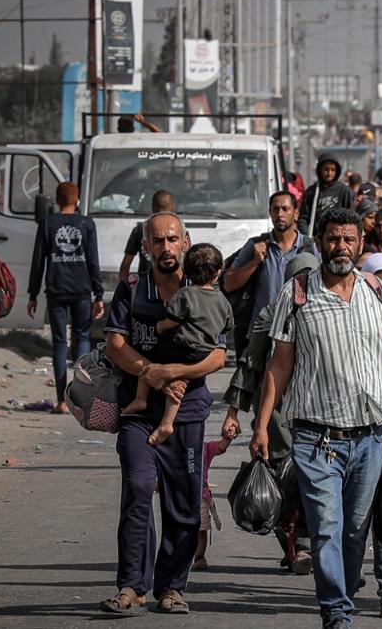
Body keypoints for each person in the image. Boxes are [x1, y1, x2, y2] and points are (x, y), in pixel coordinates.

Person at [250, 207, 382, 629]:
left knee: (355, 529)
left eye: (349, 240)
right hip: (317, 439)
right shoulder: (297, 294)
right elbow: (279, 366)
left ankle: (345, 587)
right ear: (319, 242)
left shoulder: (375, 290)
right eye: (333, 239)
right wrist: (262, 425)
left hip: (370, 437)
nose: (341, 247)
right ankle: (336, 611)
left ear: (360, 245)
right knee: (326, 528)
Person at [99, 212, 228, 615]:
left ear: (186, 242)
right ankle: (131, 586)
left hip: (187, 413)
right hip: (138, 412)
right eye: (158, 241)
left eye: (173, 239)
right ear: (146, 247)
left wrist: (176, 372)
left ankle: (171, 587)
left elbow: (219, 357)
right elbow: (115, 345)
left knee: (184, 504)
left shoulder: (204, 290)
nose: (166, 247)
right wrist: (151, 375)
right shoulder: (132, 288)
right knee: (138, 488)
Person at [223, 253, 321, 576]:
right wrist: (235, 413)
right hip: (278, 418)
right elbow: (250, 366)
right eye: (300, 276)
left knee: (320, 488)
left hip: (320, 416)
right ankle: (298, 548)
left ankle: (314, 548)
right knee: (284, 488)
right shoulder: (271, 315)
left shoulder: (328, 312)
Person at [123, 243, 233, 446]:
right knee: (180, 380)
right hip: (204, 352)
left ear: (187, 271)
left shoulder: (185, 294)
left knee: (151, 358)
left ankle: (141, 398)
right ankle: (167, 422)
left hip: (181, 345)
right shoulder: (223, 300)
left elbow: (172, 320)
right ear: (218, 272)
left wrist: (160, 327)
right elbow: (227, 326)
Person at [27, 182, 105, 414]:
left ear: (57, 200)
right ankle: (80, 400)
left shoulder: (48, 223)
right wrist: (98, 294)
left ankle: (61, 401)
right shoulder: (87, 223)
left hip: (56, 290)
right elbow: (93, 261)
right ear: (77, 198)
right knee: (81, 337)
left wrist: (32, 294)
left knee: (60, 343)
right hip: (82, 290)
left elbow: (38, 261)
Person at [224, 191, 304, 353]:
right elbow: (228, 283)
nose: (280, 214)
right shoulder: (256, 245)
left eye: (285, 209)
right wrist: (254, 262)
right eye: (275, 209)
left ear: (295, 213)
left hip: (298, 334)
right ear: (270, 213)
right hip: (259, 335)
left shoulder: (309, 248)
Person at [193, 425, 236, 572]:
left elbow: (221, 447)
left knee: (201, 529)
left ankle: (199, 557)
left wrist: (228, 437)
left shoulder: (205, 448)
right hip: (180, 497)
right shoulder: (175, 448)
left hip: (201, 497)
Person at [119, 190, 174, 281]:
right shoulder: (179, 230)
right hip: (172, 286)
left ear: (152, 207)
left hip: (145, 286)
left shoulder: (140, 230)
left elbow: (125, 265)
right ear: (172, 208)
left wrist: (124, 290)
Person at [297, 153, 355, 235]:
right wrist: (307, 238)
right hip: (316, 240)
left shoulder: (344, 191)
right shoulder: (311, 192)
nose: (329, 173)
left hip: (338, 238)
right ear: (320, 170)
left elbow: (351, 217)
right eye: (326, 169)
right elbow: (303, 219)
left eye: (332, 170)